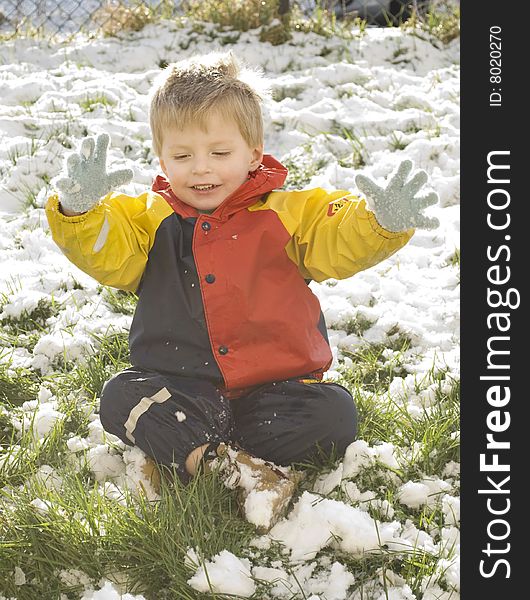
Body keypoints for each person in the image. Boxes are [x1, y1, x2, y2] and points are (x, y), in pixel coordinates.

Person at [45, 50, 439, 531]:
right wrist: (80, 213)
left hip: (275, 394)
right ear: (161, 157)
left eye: (219, 153)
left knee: (334, 414)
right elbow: (109, 252)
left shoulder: (288, 213)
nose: (200, 169)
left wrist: (379, 221)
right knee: (120, 397)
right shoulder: (148, 220)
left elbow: (338, 238)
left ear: (254, 153)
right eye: (182, 156)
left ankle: (182, 457)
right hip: (182, 389)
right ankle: (234, 468)